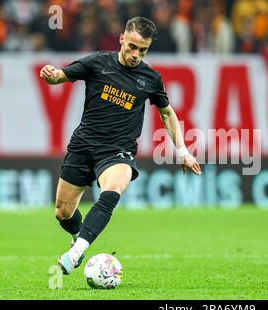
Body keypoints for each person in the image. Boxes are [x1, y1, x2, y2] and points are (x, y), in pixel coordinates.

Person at [39, 16, 202, 275]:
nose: (136, 55)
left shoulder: (150, 78)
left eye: (143, 50)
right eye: (133, 47)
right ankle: (76, 238)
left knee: (112, 189)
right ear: (122, 39)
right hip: (83, 145)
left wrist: (181, 150)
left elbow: (167, 113)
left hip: (117, 151)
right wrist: (50, 75)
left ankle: (76, 252)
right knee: (62, 213)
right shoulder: (97, 62)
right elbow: (60, 76)